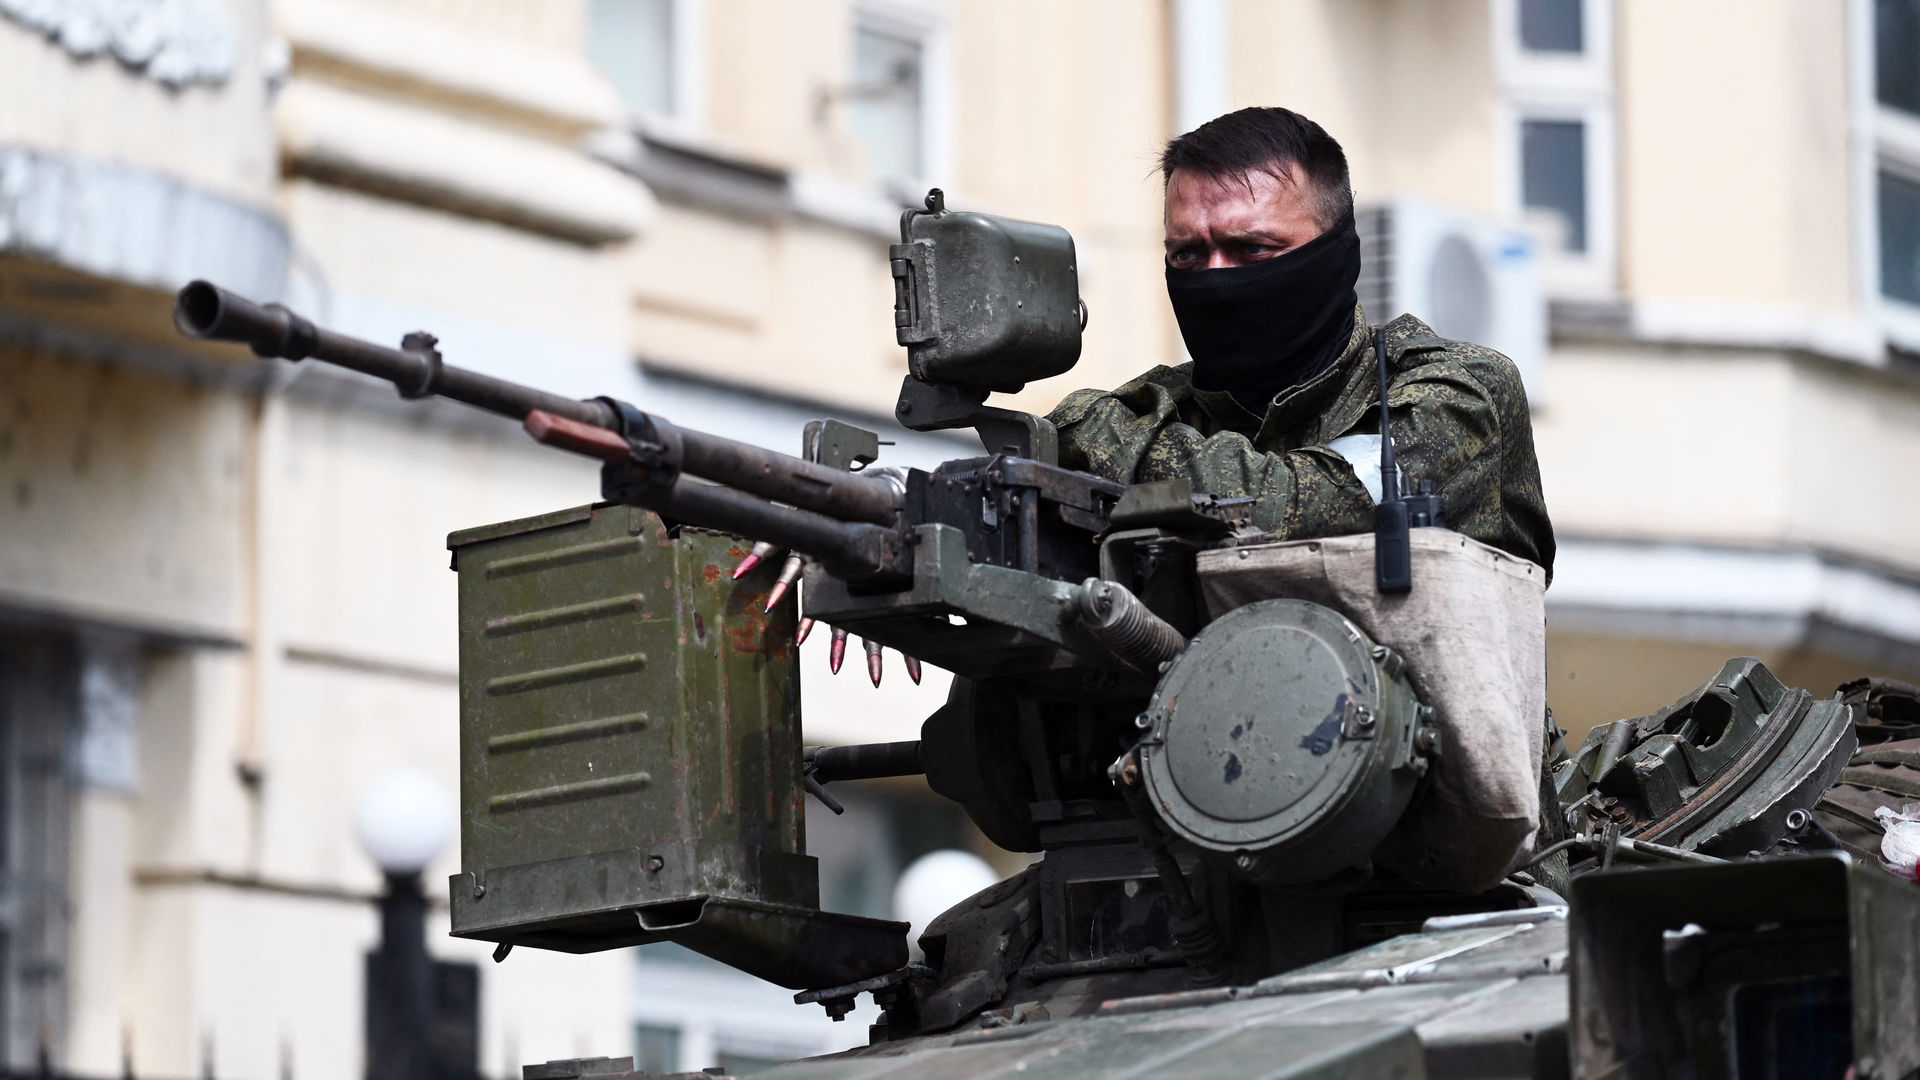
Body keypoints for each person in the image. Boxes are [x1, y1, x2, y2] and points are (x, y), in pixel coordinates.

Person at [1049, 107, 1555, 576]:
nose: (1215, 278)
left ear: (1338, 252)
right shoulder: (1159, 410)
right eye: (1187, 254)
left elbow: (1298, 510)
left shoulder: (1457, 391)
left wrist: (1097, 437)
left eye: (1252, 247)